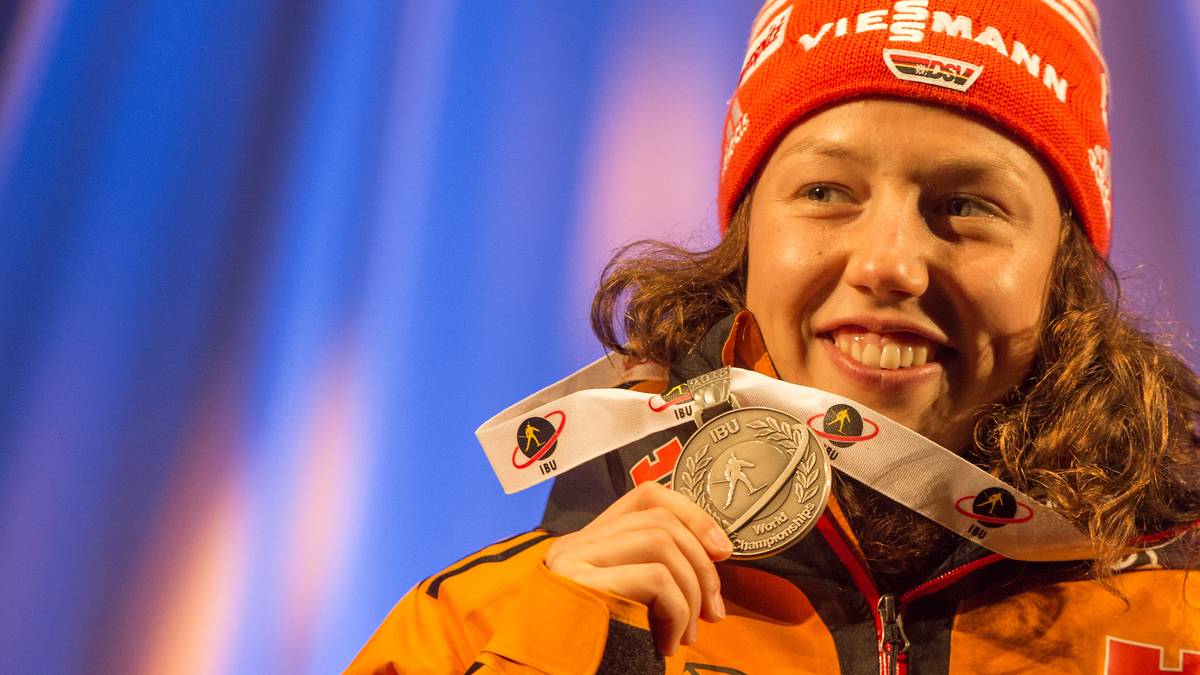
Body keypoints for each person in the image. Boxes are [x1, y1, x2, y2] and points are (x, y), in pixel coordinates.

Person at [347, 1, 1200, 673]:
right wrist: (555, 653)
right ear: (749, 238)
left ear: (1064, 267)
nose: (890, 264)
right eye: (828, 190)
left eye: (967, 206)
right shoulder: (493, 624)